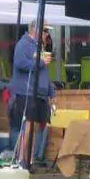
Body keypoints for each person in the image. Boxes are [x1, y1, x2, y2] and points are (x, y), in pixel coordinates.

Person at [9, 21, 56, 168]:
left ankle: (29, 160)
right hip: (26, 92)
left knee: (34, 127)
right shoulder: (24, 44)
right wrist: (41, 62)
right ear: (35, 30)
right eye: (45, 30)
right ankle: (23, 160)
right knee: (28, 126)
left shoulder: (39, 46)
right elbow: (20, 63)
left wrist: (50, 91)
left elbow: (43, 73)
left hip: (39, 93)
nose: (47, 34)